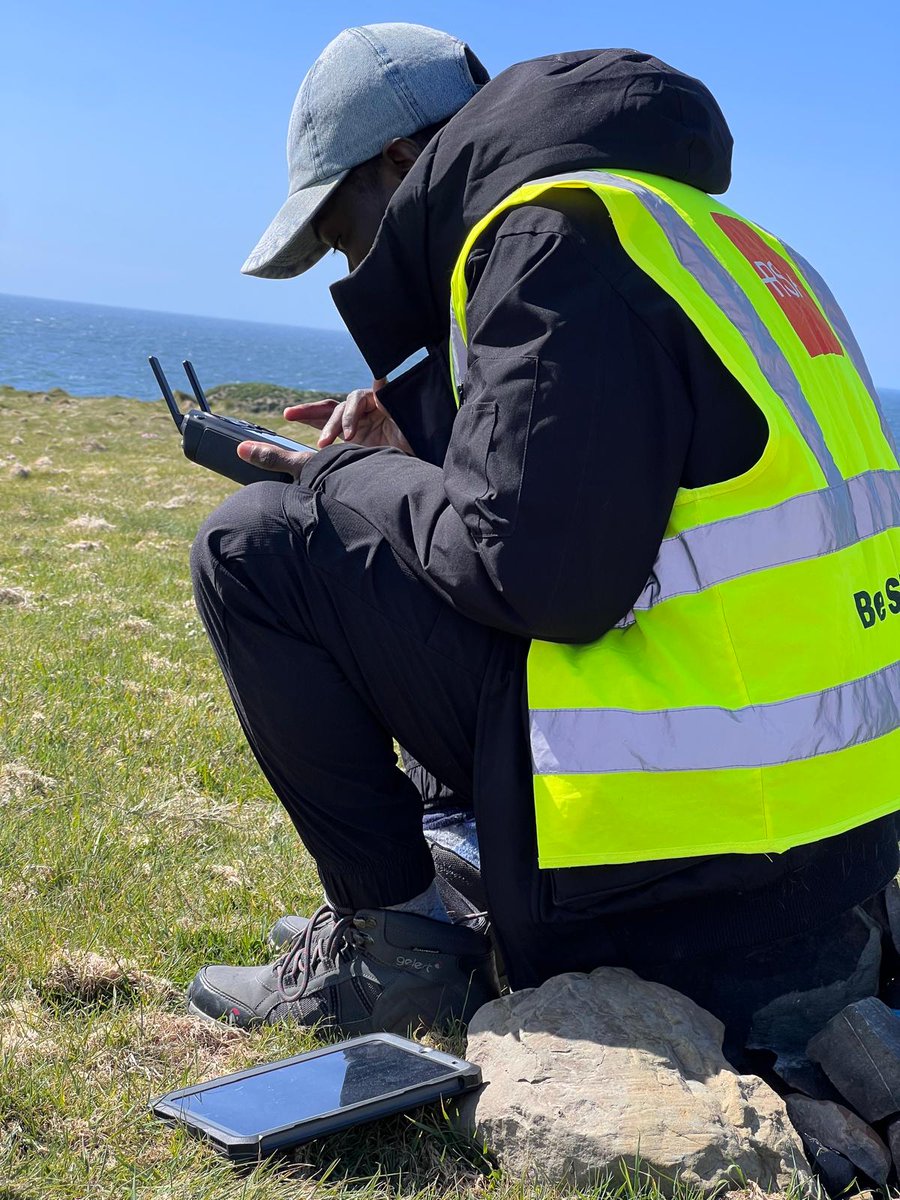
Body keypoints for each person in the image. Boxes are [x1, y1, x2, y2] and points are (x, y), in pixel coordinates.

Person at [186, 23, 900, 1064]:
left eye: (346, 236)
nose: (355, 266)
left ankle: (399, 952)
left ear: (399, 162)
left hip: (676, 870)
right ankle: (454, 881)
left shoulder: (544, 241)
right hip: (820, 847)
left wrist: (344, 477)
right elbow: (636, 496)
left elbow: (542, 577)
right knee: (391, 534)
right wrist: (422, 433)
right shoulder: (708, 239)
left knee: (252, 546)